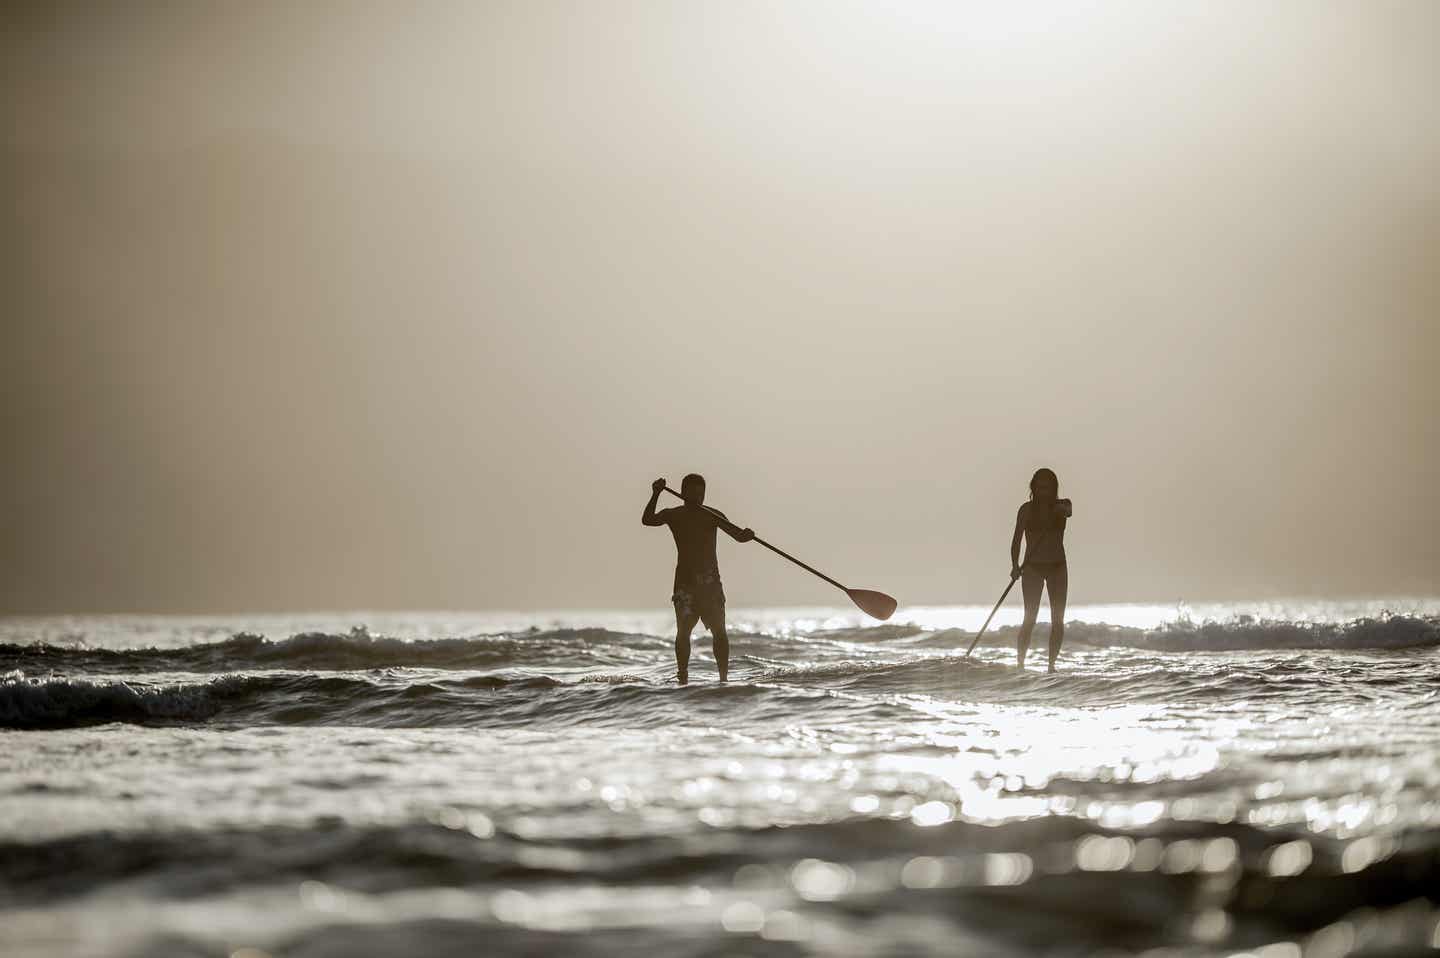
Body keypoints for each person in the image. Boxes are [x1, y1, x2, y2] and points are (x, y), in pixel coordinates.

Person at [642, 474, 754, 684]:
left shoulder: (712, 515)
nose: (697, 498)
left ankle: (723, 678)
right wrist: (656, 493)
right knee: (683, 631)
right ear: (683, 493)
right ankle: (682, 676)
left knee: (719, 630)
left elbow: (737, 536)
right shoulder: (674, 515)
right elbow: (648, 520)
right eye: (692, 494)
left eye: (700, 494)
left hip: (710, 583)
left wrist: (746, 535)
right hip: (685, 584)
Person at [1009, 467, 1072, 672]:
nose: (1044, 489)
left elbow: (1068, 511)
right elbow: (1017, 540)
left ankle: (1051, 666)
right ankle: (1020, 664)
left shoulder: (1062, 505)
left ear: (1053, 487)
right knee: (1030, 618)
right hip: (1032, 569)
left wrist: (1055, 510)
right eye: (1040, 485)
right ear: (1034, 486)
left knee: (1058, 620)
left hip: (1057, 568)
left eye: (1048, 486)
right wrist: (1014, 566)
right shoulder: (1026, 510)